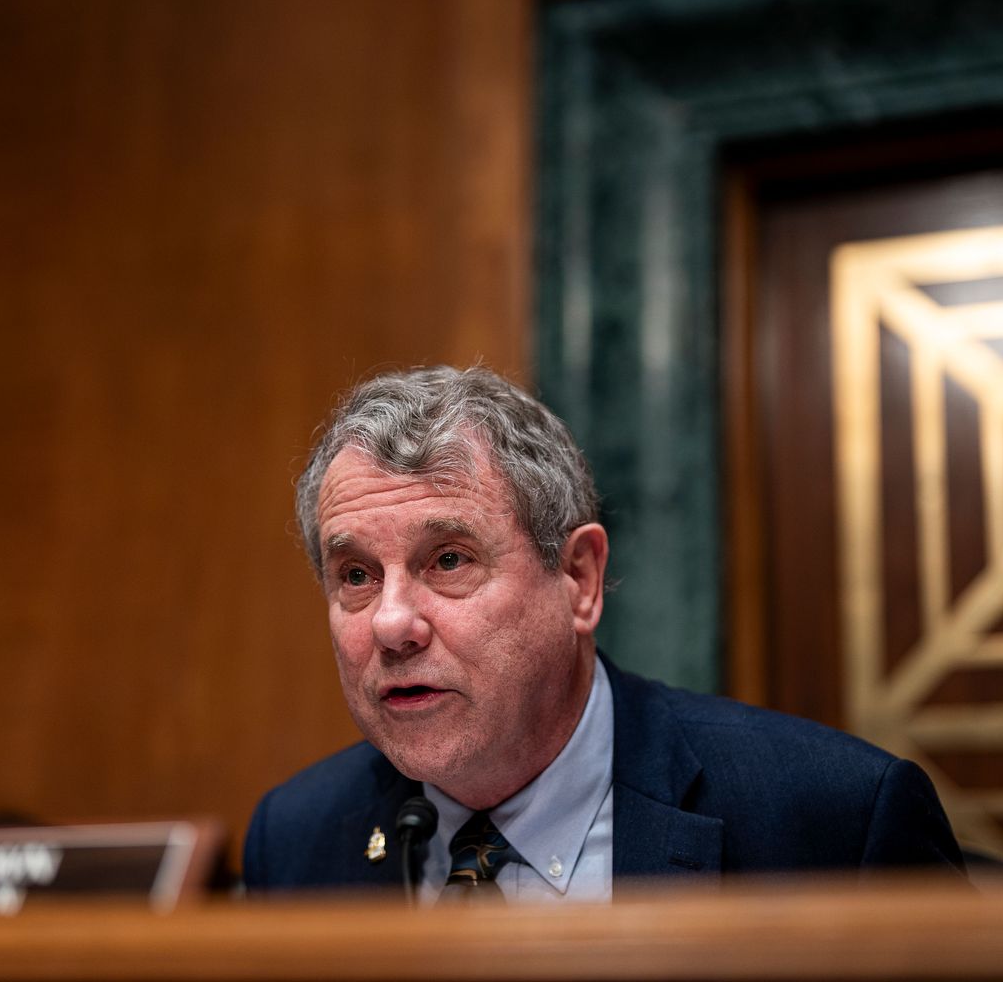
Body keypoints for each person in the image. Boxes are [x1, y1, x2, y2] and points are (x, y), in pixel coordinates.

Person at [243, 366, 964, 902]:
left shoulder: (836, 821)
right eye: (357, 576)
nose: (393, 623)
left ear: (580, 579)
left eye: (450, 560)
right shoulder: (296, 838)